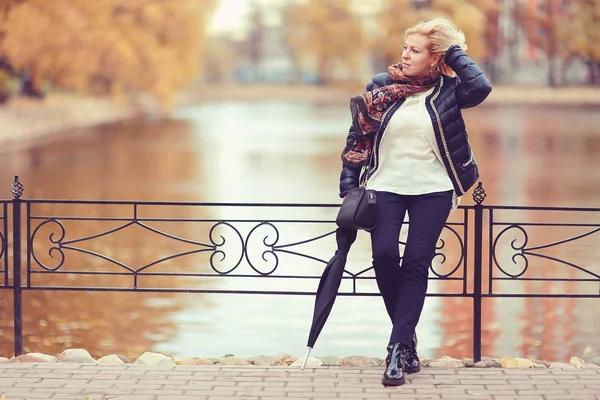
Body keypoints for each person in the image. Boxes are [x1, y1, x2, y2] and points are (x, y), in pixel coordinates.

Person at [338, 17, 492, 386]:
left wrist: (452, 50)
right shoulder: (381, 86)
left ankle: (396, 347)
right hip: (386, 185)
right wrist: (348, 181)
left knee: (417, 263)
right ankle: (407, 337)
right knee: (385, 255)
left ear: (436, 58)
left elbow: (482, 86)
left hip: (433, 188)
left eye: (415, 50)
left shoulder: (451, 91)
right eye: (405, 47)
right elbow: (358, 136)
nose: (405, 55)